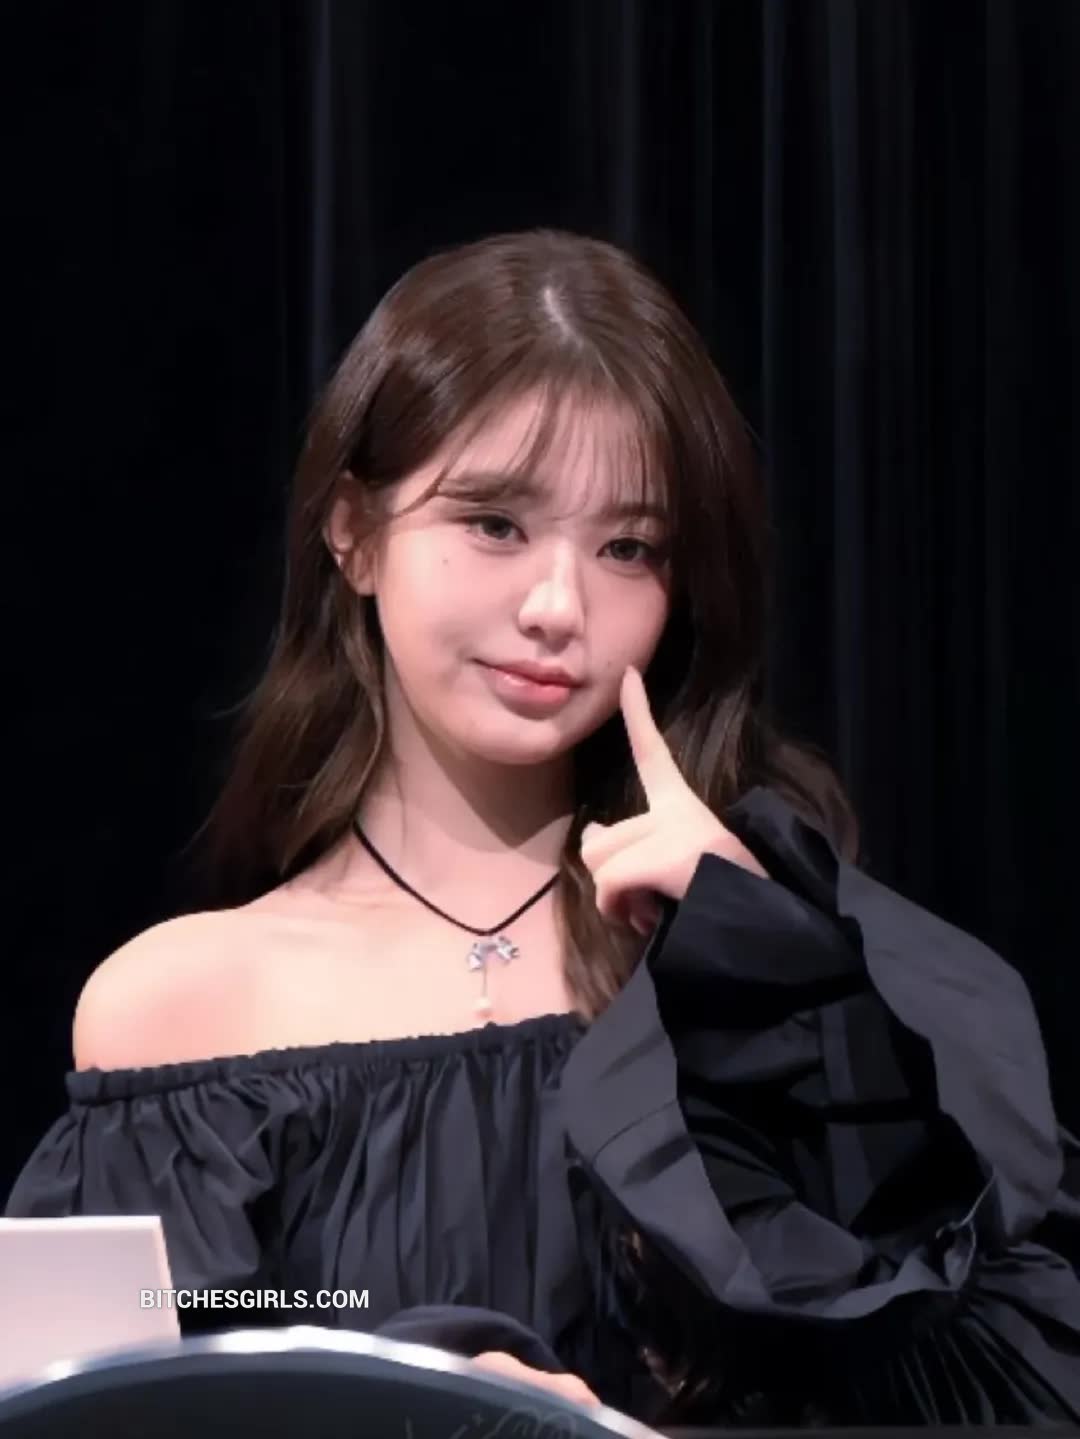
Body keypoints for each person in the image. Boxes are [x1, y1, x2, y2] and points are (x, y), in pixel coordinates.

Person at [6, 229, 1079, 1428]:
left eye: (629, 547)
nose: (559, 606)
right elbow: (122, 1410)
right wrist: (414, 1393)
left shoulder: (770, 953)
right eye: (495, 523)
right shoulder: (179, 1010)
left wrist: (771, 982)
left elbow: (986, 1374)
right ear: (353, 531)